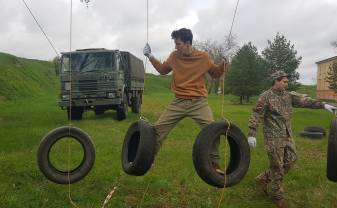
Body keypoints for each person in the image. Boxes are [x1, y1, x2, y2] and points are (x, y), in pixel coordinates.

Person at [247, 70, 337, 208]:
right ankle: (278, 196)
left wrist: (323, 105)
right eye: (284, 82)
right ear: (276, 81)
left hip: (287, 135)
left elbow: (306, 101)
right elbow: (256, 114)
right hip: (273, 137)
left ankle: (264, 178)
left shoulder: (289, 96)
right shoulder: (265, 97)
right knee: (277, 166)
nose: (287, 84)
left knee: (292, 160)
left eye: (287, 82)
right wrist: (252, 133)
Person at [143, 28, 229, 169]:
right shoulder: (174, 56)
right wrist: (150, 56)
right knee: (158, 130)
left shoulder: (203, 57)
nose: (176, 47)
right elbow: (163, 70)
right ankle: (148, 159)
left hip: (199, 102)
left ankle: (214, 165)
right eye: (175, 44)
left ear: (188, 43)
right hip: (179, 101)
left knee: (212, 131)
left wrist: (224, 64)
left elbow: (215, 74)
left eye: (178, 44)